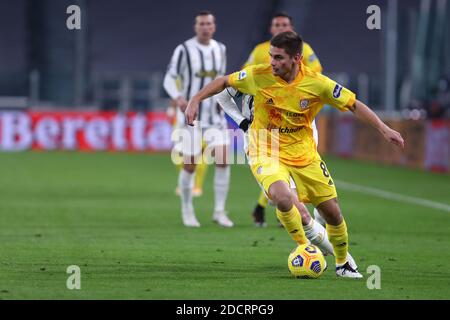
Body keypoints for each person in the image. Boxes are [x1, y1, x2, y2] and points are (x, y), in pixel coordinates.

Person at [185, 31, 405, 278]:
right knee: (281, 196)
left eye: (278, 58)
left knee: (332, 213)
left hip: (303, 153)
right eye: (271, 56)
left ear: (296, 58)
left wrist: (384, 129)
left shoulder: (317, 83)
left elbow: (353, 104)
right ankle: (305, 246)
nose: (273, 62)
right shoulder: (259, 74)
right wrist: (195, 100)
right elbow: (224, 82)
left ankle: (343, 263)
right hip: (265, 148)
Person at [235, 12, 325, 228]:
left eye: (285, 24)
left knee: (297, 169)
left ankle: (292, 212)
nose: (281, 27)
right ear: (271, 28)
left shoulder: (305, 49)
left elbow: (318, 76)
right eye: (277, 24)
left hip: (298, 121)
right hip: (269, 121)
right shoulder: (260, 52)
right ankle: (296, 216)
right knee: (276, 169)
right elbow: (242, 76)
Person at [163, 10, 233, 228]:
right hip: (191, 117)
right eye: (201, 23)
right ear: (196, 27)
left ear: (214, 26)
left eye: (209, 23)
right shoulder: (184, 50)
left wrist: (226, 106)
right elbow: (169, 78)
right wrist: (178, 98)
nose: (205, 27)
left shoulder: (220, 49)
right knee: (190, 165)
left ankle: (220, 211)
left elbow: (221, 83)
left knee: (223, 159)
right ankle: (187, 209)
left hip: (215, 116)